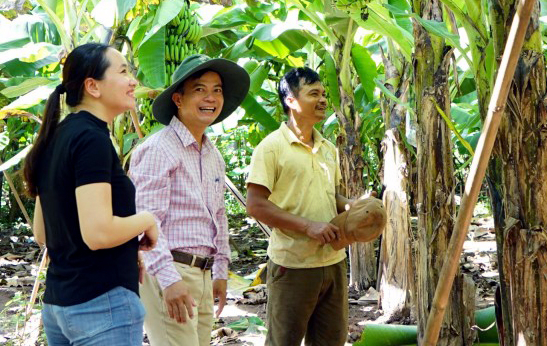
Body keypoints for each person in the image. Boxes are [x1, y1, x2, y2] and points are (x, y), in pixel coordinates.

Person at [23, 43, 160, 346]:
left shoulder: (55, 137)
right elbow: (98, 233)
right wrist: (147, 220)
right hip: (102, 305)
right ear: (92, 86)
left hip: (60, 305)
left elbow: (42, 233)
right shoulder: (91, 139)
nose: (133, 81)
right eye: (124, 71)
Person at [129, 54, 252, 346]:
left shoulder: (213, 155)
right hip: (169, 268)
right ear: (178, 100)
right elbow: (145, 223)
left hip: (204, 272)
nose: (210, 97)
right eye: (200, 89)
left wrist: (220, 271)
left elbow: (218, 218)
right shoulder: (159, 149)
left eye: (217, 90)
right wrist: (169, 280)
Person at [246, 66, 350, 346]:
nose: (323, 100)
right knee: (284, 341)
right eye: (313, 93)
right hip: (292, 265)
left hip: (333, 262)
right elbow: (255, 205)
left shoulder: (328, 148)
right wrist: (308, 226)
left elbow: (331, 196)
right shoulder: (271, 148)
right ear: (291, 100)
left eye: (324, 94)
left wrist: (352, 208)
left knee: (332, 340)